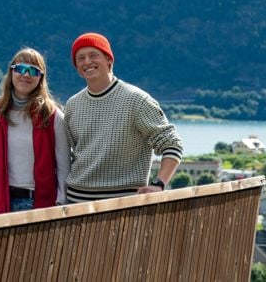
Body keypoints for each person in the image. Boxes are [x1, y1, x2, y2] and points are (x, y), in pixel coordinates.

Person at [64, 33, 183, 203]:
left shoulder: (137, 100)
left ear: (109, 60)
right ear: (76, 66)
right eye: (80, 58)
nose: (87, 62)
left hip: (123, 207)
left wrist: (159, 184)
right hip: (76, 203)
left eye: (94, 55)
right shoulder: (72, 105)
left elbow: (172, 143)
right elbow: (69, 155)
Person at [0, 48, 70, 216]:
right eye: (20, 68)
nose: (26, 74)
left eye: (33, 71)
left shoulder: (52, 117)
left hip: (42, 207)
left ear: (41, 78)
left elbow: (64, 168)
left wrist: (61, 205)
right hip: (0, 205)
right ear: (11, 72)